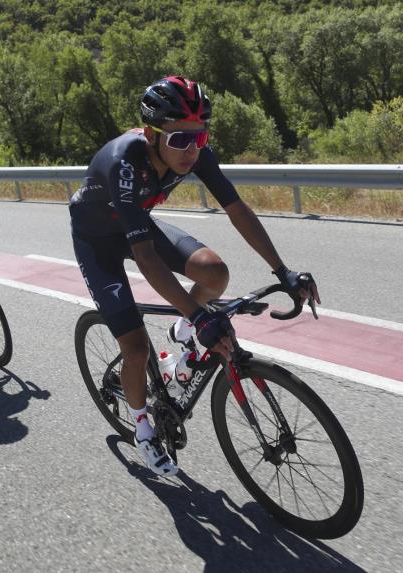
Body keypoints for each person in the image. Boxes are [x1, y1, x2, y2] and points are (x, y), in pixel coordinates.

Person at [69, 76, 319, 476]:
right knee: (135, 349)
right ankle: (143, 428)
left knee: (215, 273)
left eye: (200, 137)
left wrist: (282, 269)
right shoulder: (125, 163)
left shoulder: (195, 150)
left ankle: (182, 337)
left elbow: (236, 209)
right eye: (180, 140)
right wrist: (199, 315)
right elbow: (146, 258)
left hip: (136, 224)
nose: (192, 149)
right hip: (97, 241)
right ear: (152, 134)